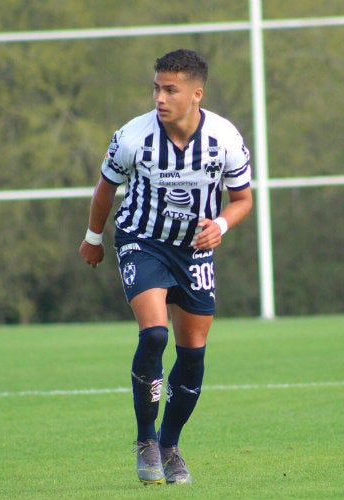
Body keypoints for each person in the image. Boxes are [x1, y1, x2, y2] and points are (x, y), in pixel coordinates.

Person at [79, 48, 252, 485]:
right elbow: (105, 189)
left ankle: (170, 444)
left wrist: (220, 226)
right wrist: (94, 238)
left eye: (170, 90)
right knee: (155, 334)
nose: (160, 97)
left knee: (192, 354)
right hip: (143, 241)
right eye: (156, 88)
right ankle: (145, 441)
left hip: (194, 251)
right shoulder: (134, 137)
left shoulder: (225, 138)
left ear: (196, 93)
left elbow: (243, 199)